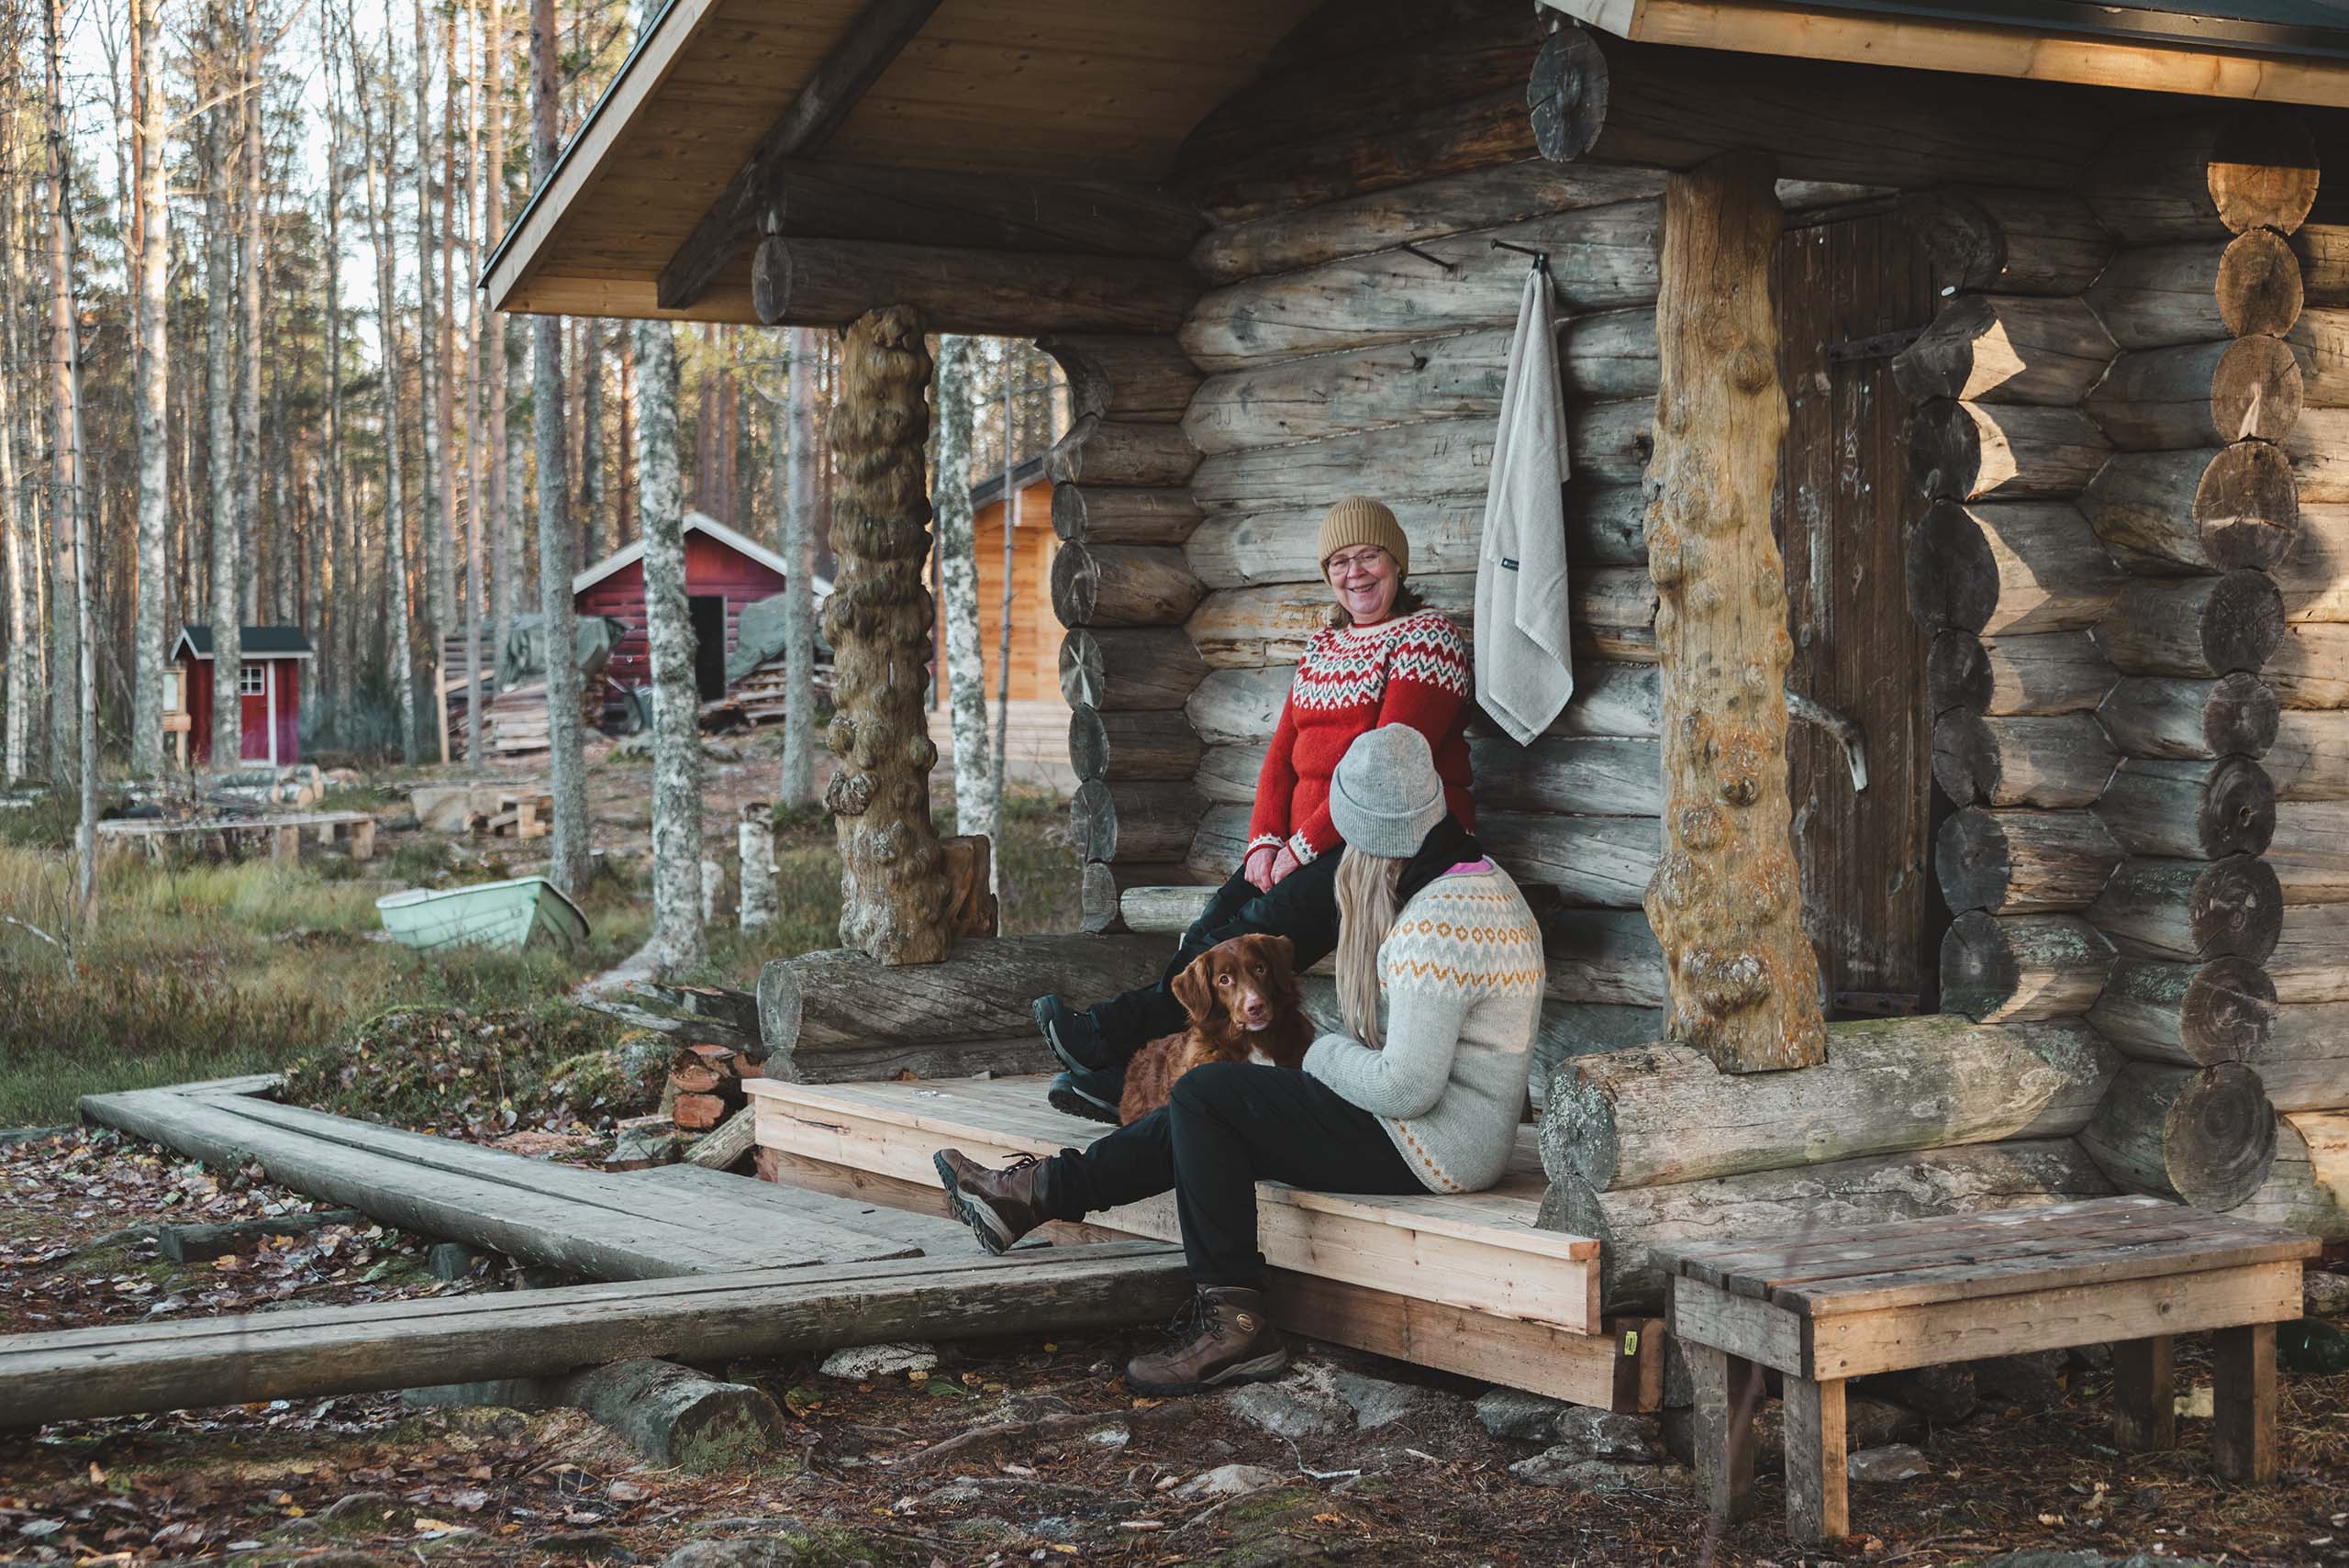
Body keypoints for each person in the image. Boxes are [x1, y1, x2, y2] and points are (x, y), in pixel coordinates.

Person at [935, 726, 1543, 1396]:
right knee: (1215, 1106)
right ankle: (1031, 1194)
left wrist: (1319, 1050)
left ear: (1365, 836)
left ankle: (1238, 1324)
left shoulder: (1433, 928)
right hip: (1455, 1133)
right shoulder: (1483, 884)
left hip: (1433, 1146)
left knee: (1204, 1097)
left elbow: (1406, 1085)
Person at [1034, 495, 1475, 1122]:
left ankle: (1110, 1040)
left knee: (1239, 940)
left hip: (1392, 843)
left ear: (1397, 563)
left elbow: (1390, 768)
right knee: (1207, 931)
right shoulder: (1325, 646)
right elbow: (1282, 753)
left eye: (1369, 557)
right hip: (1308, 846)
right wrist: (1265, 841)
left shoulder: (1429, 641)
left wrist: (1299, 848)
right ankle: (1124, 1071)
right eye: (1340, 562)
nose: (1356, 573)